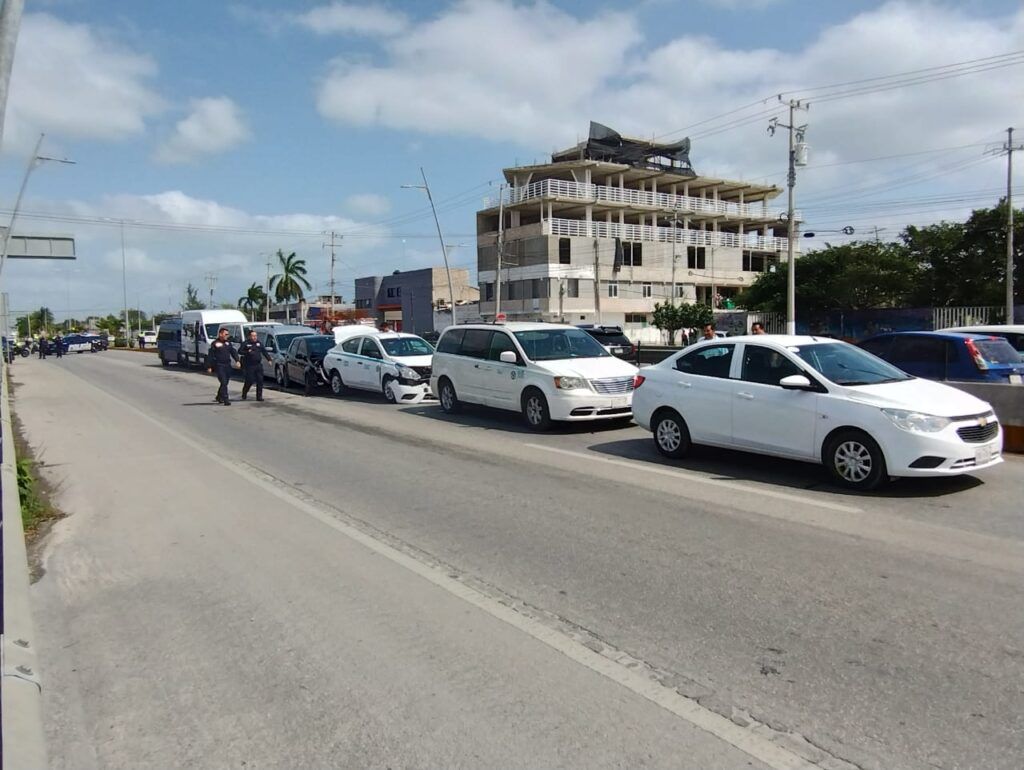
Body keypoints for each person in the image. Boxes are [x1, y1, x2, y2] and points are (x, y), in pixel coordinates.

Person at [207, 328, 239, 405]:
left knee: (225, 383)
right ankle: (226, 399)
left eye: (228, 334)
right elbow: (210, 356)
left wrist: (237, 360)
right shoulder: (215, 343)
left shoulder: (228, 343)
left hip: (227, 365)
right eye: (226, 334)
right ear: (221, 334)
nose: (227, 336)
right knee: (224, 382)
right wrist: (209, 366)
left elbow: (233, 352)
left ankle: (219, 396)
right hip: (219, 365)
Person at [239, 330, 272, 401]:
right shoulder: (246, 343)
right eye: (253, 336)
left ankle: (259, 396)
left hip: (258, 365)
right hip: (249, 365)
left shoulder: (259, 343)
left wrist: (269, 359)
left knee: (260, 381)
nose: (254, 337)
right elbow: (240, 351)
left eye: (255, 336)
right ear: (249, 336)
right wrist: (247, 352)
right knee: (250, 380)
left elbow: (264, 351)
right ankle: (244, 393)